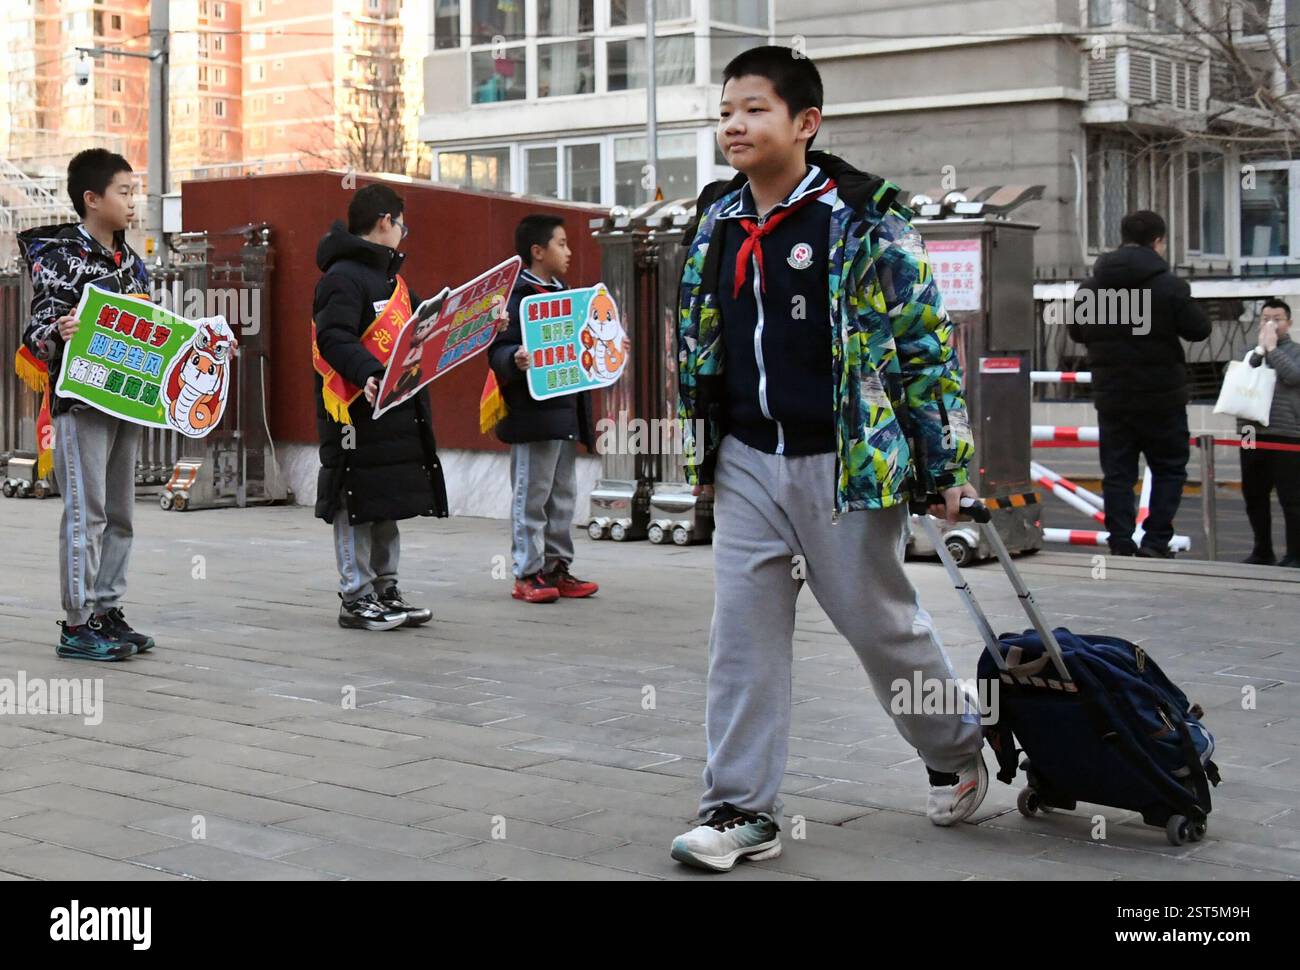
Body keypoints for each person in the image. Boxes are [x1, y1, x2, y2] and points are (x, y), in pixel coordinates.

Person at [669, 46, 984, 873]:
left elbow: (922, 346)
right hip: (745, 460)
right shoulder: (715, 220)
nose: (734, 124)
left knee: (879, 624)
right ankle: (739, 808)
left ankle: (954, 748)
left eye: (755, 109)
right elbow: (703, 340)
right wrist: (697, 443)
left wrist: (943, 466)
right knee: (741, 634)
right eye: (727, 109)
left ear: (806, 122)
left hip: (846, 466)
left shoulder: (863, 217)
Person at [19, 149, 158, 660]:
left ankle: (106, 609)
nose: (132, 201)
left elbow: (153, 330)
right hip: (79, 403)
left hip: (126, 402)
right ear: (92, 198)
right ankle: (76, 624)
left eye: (133, 191)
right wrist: (58, 330)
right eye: (124, 191)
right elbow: (34, 333)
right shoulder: (60, 257)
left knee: (121, 512)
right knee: (87, 513)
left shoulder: (132, 262)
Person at [312, 184, 446, 630]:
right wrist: (370, 373)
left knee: (386, 497)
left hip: (392, 413)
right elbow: (333, 338)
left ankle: (386, 588)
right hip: (354, 411)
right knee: (355, 499)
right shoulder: (342, 277)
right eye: (401, 223)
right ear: (385, 220)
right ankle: (356, 596)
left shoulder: (394, 281)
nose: (404, 232)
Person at [1068, 209, 1212, 558]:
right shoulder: (1169, 285)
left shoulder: (1092, 286)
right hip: (1162, 397)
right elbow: (1199, 329)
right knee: (1168, 469)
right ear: (1158, 241)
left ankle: (1120, 541)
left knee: (1117, 473)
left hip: (1113, 397)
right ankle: (1155, 540)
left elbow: (1076, 332)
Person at [487, 214, 600, 604]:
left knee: (562, 497)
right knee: (531, 498)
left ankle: (557, 567)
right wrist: (512, 359)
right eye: (562, 244)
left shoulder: (566, 295)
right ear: (538, 251)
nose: (568, 251)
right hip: (532, 417)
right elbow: (496, 350)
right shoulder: (514, 297)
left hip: (563, 415)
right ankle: (526, 573)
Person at [1237, 298, 1300, 567]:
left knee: (1291, 498)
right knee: (1254, 493)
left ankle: (1295, 554)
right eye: (1265, 319)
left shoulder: (1295, 351)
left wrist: (1273, 349)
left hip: (1286, 432)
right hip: (1251, 430)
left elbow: (1293, 376)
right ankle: (1262, 549)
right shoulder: (1252, 351)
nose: (1270, 323)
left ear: (1289, 322)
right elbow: (1242, 377)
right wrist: (1262, 350)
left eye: (1277, 318)